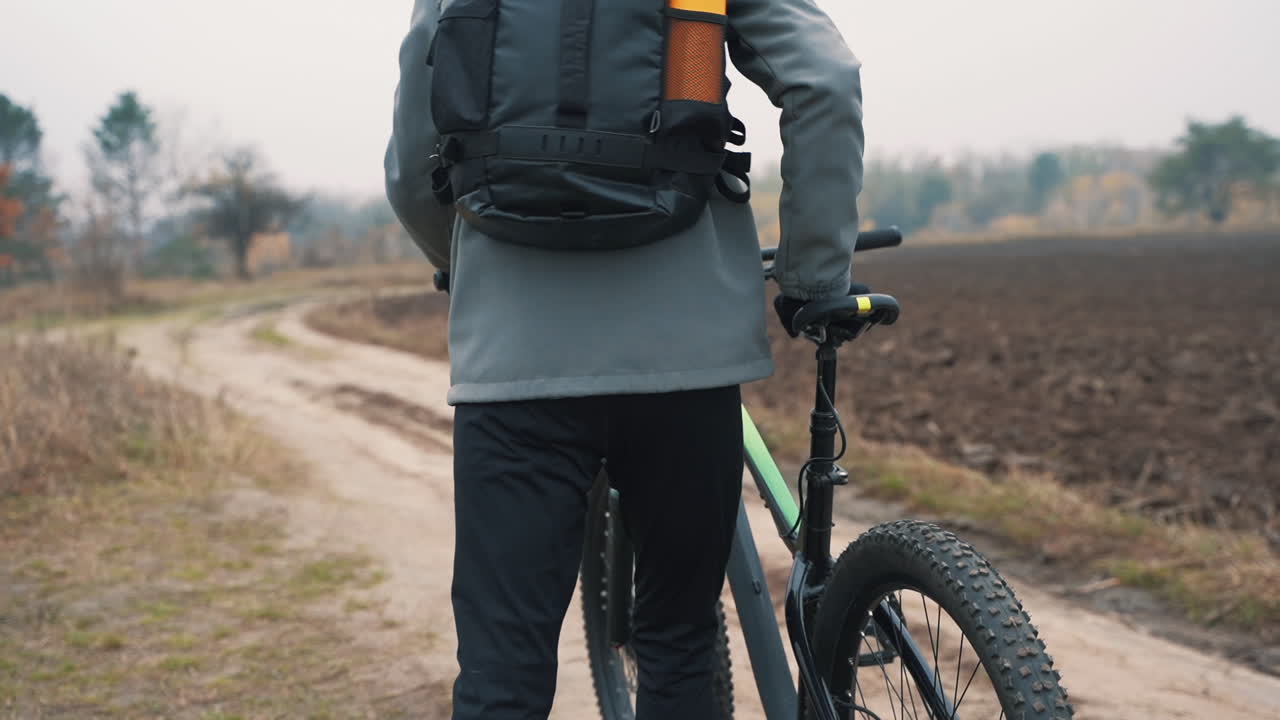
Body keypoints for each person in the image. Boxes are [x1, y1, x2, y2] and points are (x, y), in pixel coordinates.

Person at [385, 0, 863, 716]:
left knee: (501, 667)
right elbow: (824, 80)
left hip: (515, 361)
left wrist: (457, 265)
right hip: (686, 359)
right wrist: (813, 277)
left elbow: (414, 154)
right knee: (678, 639)